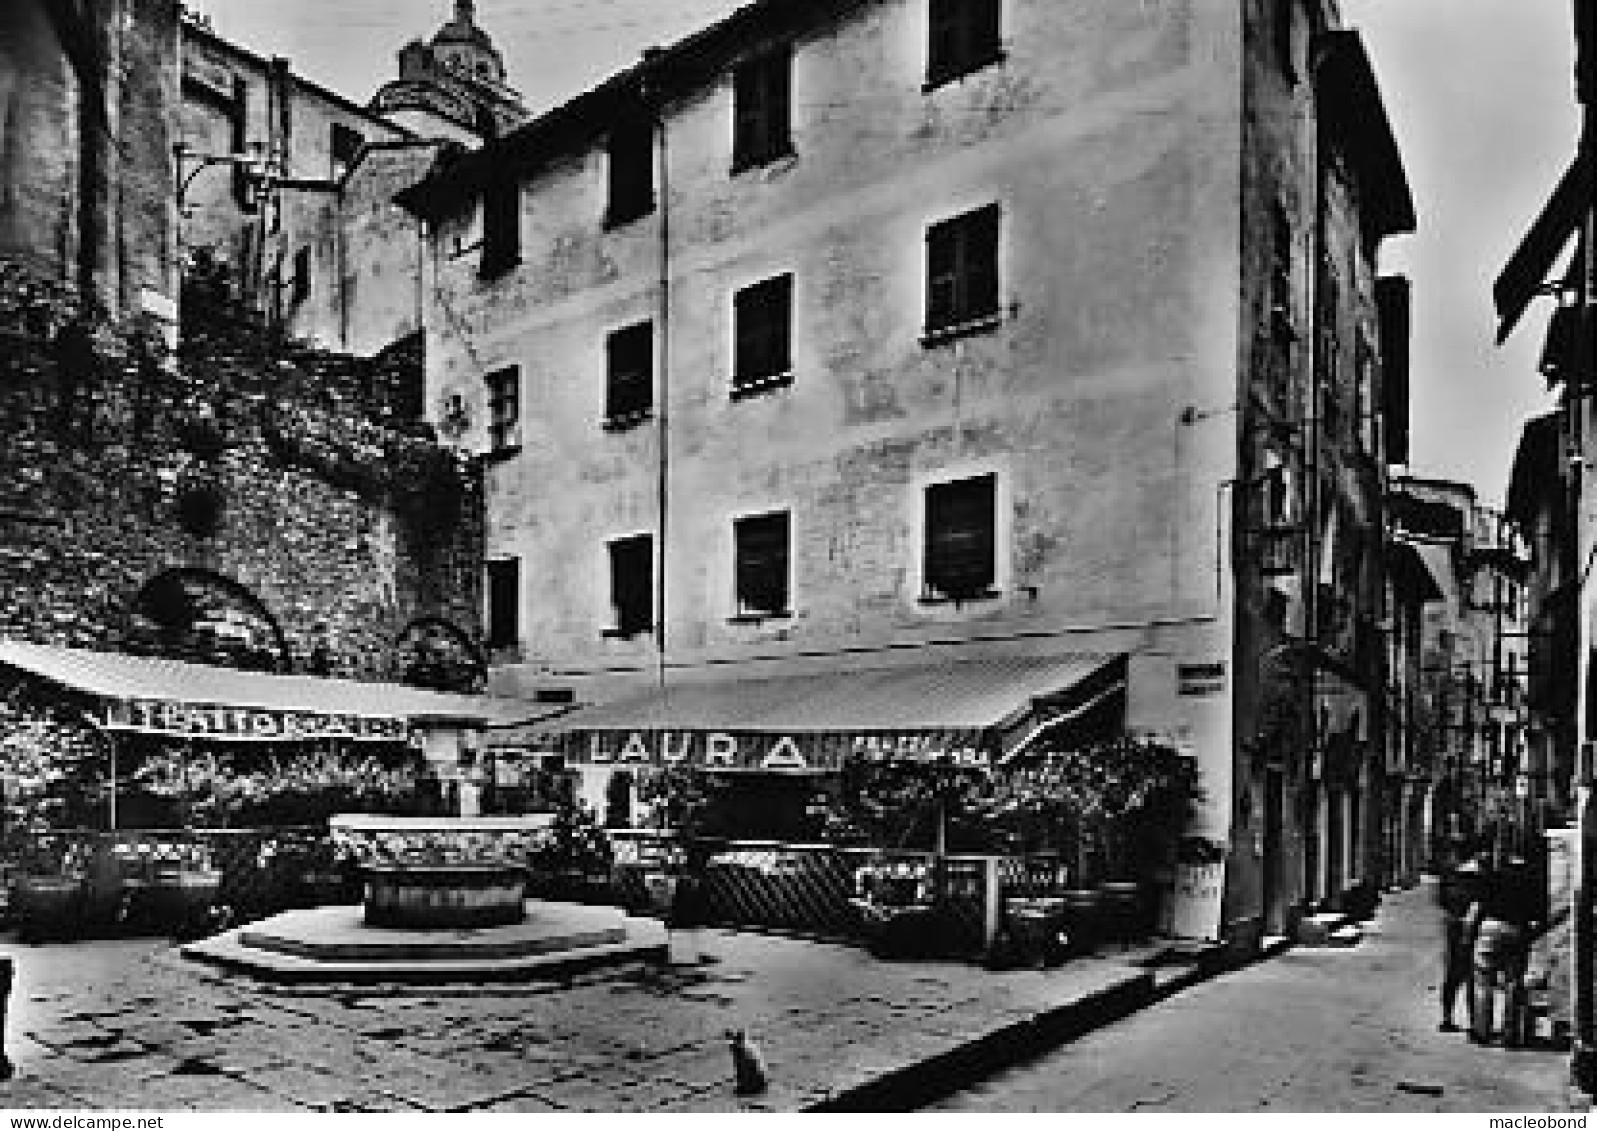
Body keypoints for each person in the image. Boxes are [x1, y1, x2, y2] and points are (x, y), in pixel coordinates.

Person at [1470, 845, 1541, 1046]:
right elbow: (1536, 915)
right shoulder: (1531, 881)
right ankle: (1510, 1034)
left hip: (1491, 927)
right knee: (1513, 982)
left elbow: (1480, 906)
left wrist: (1471, 934)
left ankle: (1482, 1031)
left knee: (1484, 981)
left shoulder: (1494, 876)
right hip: (1517, 929)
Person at [1438, 839, 1483, 1032]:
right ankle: (1475, 1022)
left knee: (1452, 974)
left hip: (1454, 925)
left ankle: (1447, 1017)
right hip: (1473, 927)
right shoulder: (1478, 876)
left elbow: (1442, 901)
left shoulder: (1449, 876)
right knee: (1473, 974)